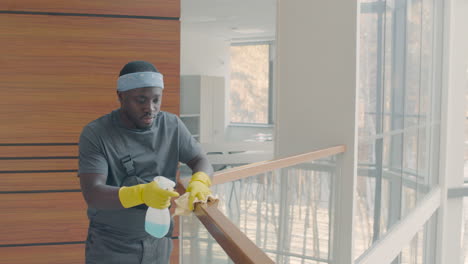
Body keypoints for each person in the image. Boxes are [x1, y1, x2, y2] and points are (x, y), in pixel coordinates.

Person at [78, 60, 214, 264]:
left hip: (159, 241)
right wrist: (141, 193)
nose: (150, 108)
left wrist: (201, 180)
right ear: (120, 96)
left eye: (156, 100)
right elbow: (93, 193)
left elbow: (199, 159)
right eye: (140, 100)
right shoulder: (97, 133)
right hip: (111, 246)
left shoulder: (172, 125)